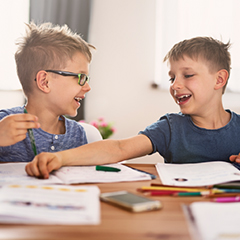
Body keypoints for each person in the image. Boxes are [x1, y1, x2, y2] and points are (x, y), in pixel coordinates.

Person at [25, 36, 240, 179]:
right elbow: (119, 149)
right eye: (172, 77)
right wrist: (61, 158)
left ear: (219, 79)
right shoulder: (170, 128)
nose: (175, 85)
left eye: (188, 75)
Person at [0, 22, 95, 162]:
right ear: (44, 81)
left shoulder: (78, 134)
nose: (87, 87)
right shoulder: (3, 125)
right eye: (80, 77)